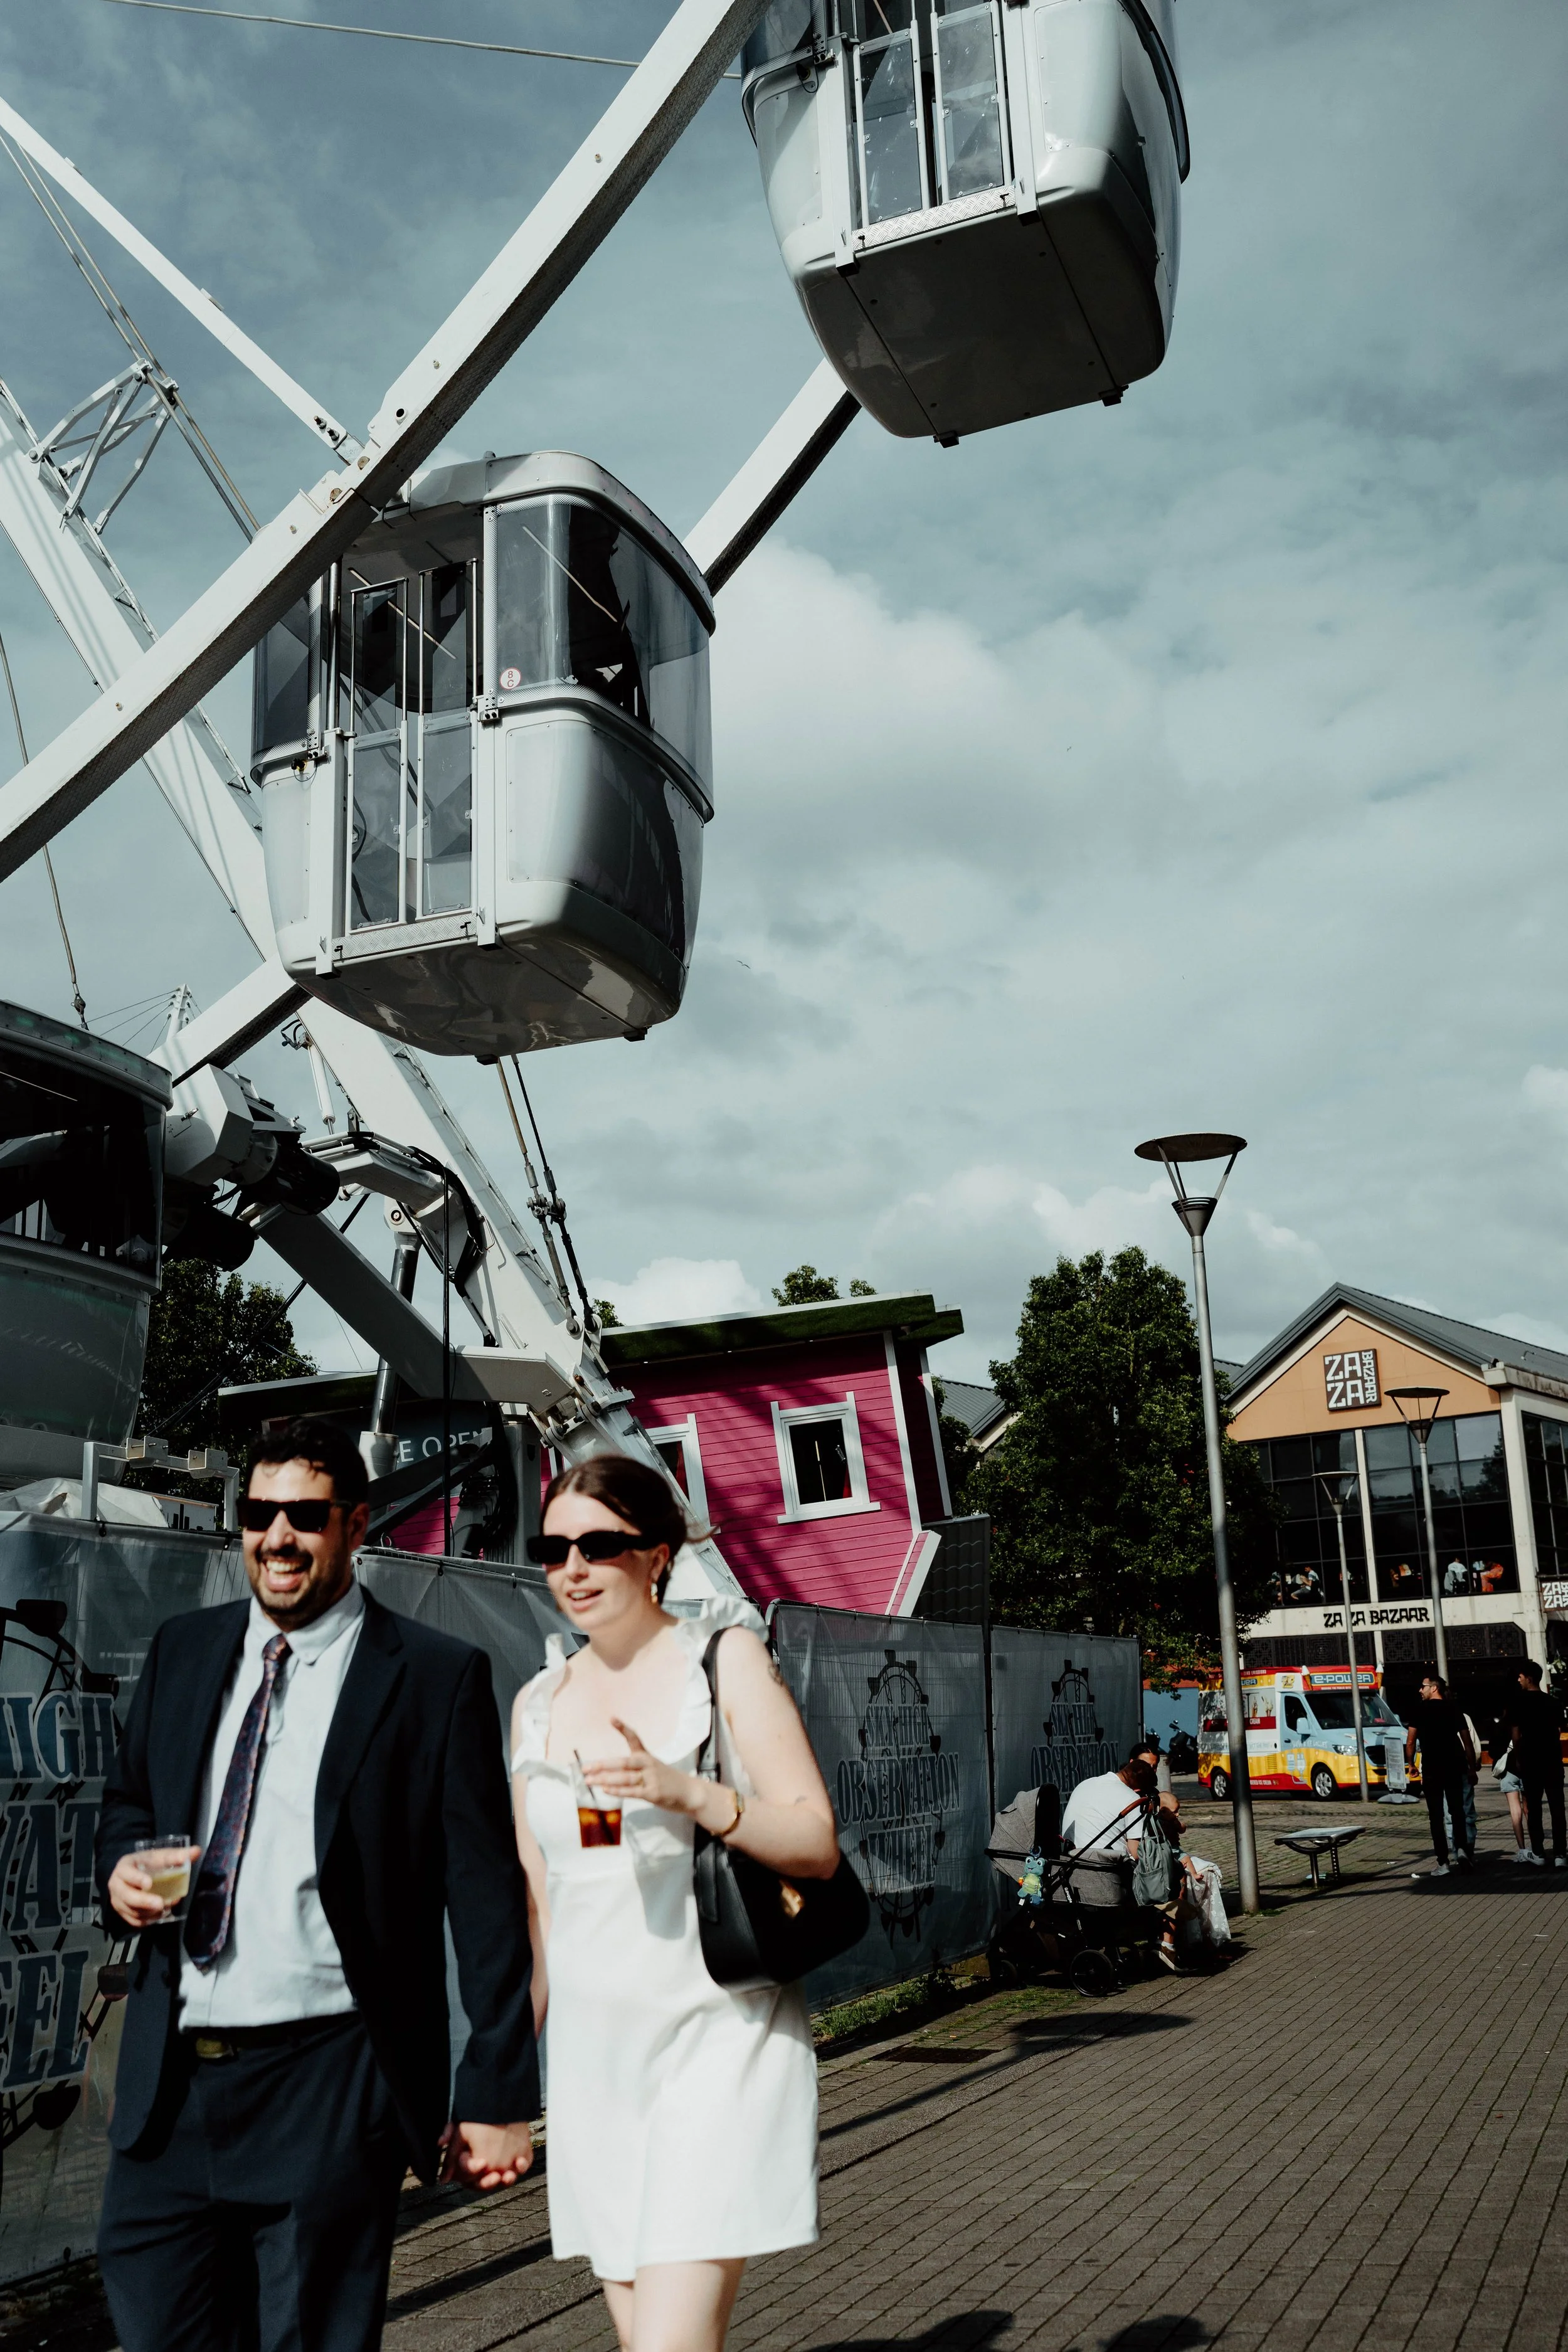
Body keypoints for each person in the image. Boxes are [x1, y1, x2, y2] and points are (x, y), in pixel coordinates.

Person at [96, 1417, 538, 2352]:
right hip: (171, 2083)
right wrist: (123, 1865)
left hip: (329, 2080)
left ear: (356, 1524)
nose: (278, 1536)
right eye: (259, 1513)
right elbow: (131, 1801)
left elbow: (487, 1896)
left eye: (305, 1514)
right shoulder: (184, 1648)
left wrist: (498, 2087)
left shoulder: (431, 1677)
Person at [511, 1452, 840, 2352]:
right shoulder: (536, 1701)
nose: (571, 1567)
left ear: (657, 1553)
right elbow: (537, 1901)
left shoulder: (722, 1657)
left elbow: (815, 1841)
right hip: (592, 2068)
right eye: (551, 1548)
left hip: (717, 2040)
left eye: (599, 1544)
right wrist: (498, 2083)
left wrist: (688, 1792)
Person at [1062, 1755, 1188, 1971]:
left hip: (1074, 1867)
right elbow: (1135, 1852)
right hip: (1108, 1873)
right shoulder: (1131, 1799)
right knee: (1174, 1873)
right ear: (1140, 1789)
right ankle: (1166, 1944)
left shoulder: (1086, 1784)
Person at [1404, 1670, 1477, 1878]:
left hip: (1432, 1770)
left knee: (1436, 1816)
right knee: (1458, 1811)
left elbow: (1411, 1741)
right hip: (1455, 1766)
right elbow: (1467, 1741)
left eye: (1423, 1686)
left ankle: (1443, 1862)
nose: (1420, 1690)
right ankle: (1462, 1850)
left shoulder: (1419, 1710)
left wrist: (1411, 1764)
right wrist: (1471, 1768)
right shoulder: (1454, 1708)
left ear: (1433, 1688)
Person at [1507, 1660, 1565, 1868]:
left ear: (1528, 1678)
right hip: (1552, 1761)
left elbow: (1516, 1735)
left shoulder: (1517, 1703)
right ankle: (1561, 1855)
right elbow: (1559, 1731)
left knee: (1533, 1809)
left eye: (1520, 1677)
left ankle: (1539, 1853)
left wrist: (1519, 1758)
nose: (1518, 1680)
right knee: (1558, 1808)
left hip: (1531, 1762)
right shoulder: (1554, 1702)